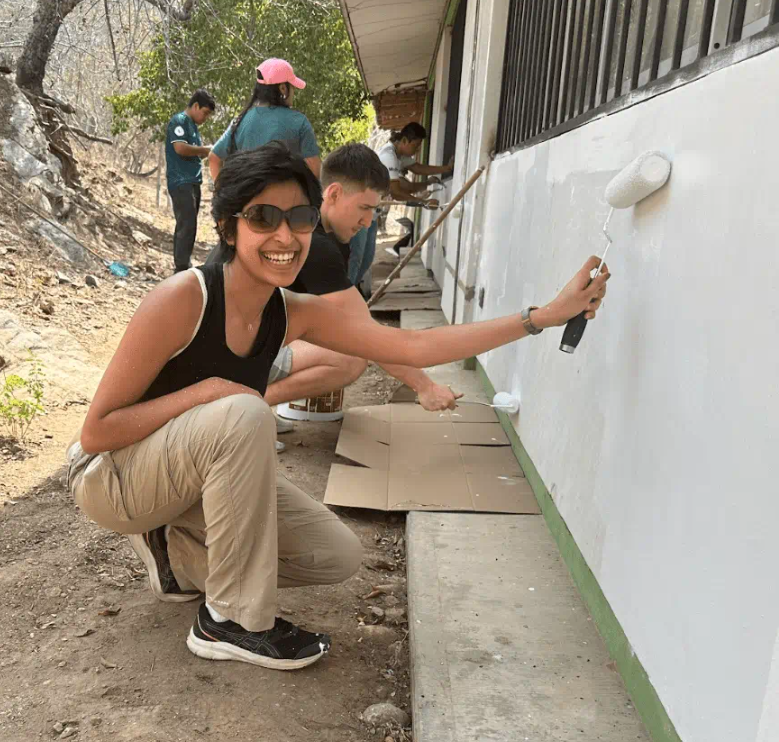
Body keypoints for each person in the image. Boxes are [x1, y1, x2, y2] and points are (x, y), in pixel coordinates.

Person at [65, 142, 608, 672]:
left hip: (183, 476)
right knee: (244, 411)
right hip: (114, 480)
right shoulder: (183, 298)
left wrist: (540, 318)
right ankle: (227, 622)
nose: (284, 236)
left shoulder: (292, 311)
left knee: (334, 555)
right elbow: (97, 432)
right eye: (263, 217)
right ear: (230, 227)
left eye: (297, 218)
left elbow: (413, 348)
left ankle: (175, 559)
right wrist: (209, 392)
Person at [258, 143, 464, 434]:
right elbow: (364, 333)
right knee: (352, 355)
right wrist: (425, 386)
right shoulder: (312, 243)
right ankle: (245, 406)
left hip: (246, 343)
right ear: (334, 193)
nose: (368, 222)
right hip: (226, 356)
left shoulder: (309, 222)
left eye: (374, 211)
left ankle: (247, 403)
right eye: (364, 208)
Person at [348, 122, 454, 286]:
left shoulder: (399, 157)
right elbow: (396, 192)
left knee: (366, 258)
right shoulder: (388, 156)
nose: (417, 151)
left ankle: (353, 292)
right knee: (357, 258)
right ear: (404, 140)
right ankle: (347, 296)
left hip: (371, 214)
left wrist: (445, 169)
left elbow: (418, 168)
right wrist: (423, 202)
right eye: (416, 146)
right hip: (360, 213)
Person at [208, 58, 321, 182]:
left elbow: (214, 158)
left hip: (247, 198)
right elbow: (313, 168)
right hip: (287, 199)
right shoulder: (299, 121)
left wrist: (221, 191)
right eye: (292, 87)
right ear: (283, 88)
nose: (293, 92)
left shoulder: (241, 121)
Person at [166, 89, 216, 273]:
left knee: (190, 224)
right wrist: (204, 150)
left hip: (193, 181)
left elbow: (192, 153)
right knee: (187, 224)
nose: (205, 117)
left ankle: (183, 263)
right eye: (205, 113)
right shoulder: (179, 121)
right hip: (181, 181)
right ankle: (181, 268)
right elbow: (180, 148)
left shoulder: (193, 127)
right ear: (196, 106)